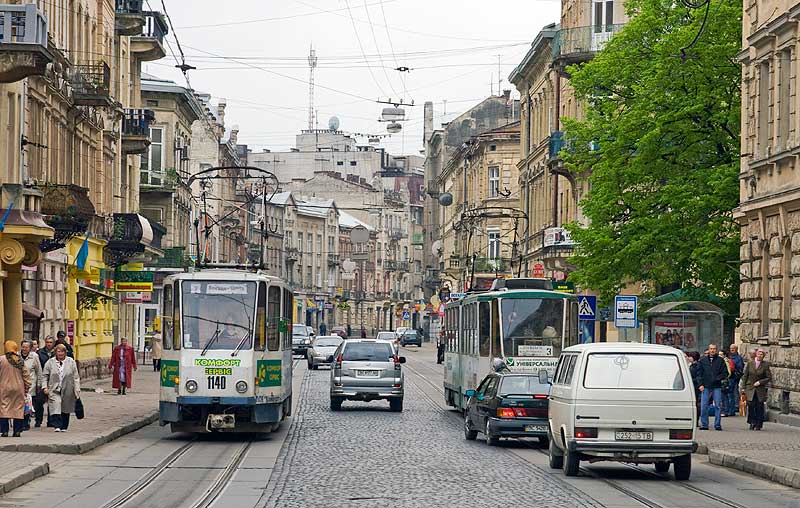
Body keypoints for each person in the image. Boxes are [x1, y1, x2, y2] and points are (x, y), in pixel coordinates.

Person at [42, 344, 80, 432]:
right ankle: (57, 425)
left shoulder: (71, 362)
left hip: (68, 387)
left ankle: (64, 426)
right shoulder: (50, 362)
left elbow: (76, 377)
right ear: (55, 352)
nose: (60, 353)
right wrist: (45, 387)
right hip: (54, 388)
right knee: (56, 405)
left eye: (62, 351)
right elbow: (44, 376)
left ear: (65, 352)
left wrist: (77, 389)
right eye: (59, 351)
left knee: (65, 407)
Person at [0, 341, 32, 437]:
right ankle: (17, 431)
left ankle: (4, 431)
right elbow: (26, 375)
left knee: (4, 408)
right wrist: (27, 387)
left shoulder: (1, 359)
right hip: (19, 388)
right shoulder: (20, 360)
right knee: (18, 409)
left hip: (4, 387)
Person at [697, 343, 728, 431]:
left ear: (716, 350)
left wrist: (717, 379)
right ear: (708, 350)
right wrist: (700, 384)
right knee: (704, 406)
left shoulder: (720, 360)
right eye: (711, 349)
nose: (712, 350)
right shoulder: (703, 360)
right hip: (705, 386)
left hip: (716, 386)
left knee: (718, 406)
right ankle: (704, 424)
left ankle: (717, 424)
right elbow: (699, 374)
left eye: (714, 349)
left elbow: (725, 373)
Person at [741, 348, 772, 431]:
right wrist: (743, 388)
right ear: (756, 354)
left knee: (759, 406)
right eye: (759, 354)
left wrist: (760, 382)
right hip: (750, 387)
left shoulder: (765, 365)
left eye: (762, 355)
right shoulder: (750, 363)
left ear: (763, 356)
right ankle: (752, 422)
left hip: (760, 389)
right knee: (751, 405)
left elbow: (768, 377)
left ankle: (758, 424)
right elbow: (745, 376)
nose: (760, 356)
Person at [19, 340, 42, 431]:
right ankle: (20, 422)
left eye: (26, 347)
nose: (24, 349)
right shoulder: (17, 356)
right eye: (23, 347)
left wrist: (39, 384)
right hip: (19, 384)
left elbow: (38, 371)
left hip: (30, 384)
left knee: (27, 403)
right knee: (20, 404)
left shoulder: (34, 357)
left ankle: (26, 422)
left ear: (30, 348)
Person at [36, 336, 55, 427]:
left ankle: (51, 421)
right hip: (43, 378)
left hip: (54, 380)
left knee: (52, 401)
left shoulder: (57, 353)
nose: (49, 344)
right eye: (47, 342)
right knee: (39, 401)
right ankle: (38, 420)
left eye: (51, 342)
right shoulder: (40, 353)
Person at [725, 345, 744, 416]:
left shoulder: (738, 358)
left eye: (733, 349)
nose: (731, 350)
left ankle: (732, 410)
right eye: (730, 348)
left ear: (736, 349)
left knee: (731, 394)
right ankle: (728, 409)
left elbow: (740, 369)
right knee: (728, 394)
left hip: (733, 378)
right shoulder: (728, 357)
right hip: (728, 378)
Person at [686, 351, 702, 422]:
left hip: (695, 386)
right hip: (693, 385)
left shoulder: (697, 365)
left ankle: (696, 419)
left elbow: (698, 376)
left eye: (690, 356)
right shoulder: (692, 365)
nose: (689, 358)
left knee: (695, 403)